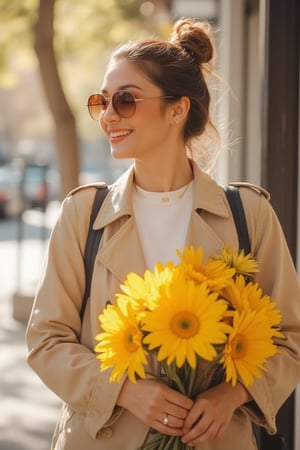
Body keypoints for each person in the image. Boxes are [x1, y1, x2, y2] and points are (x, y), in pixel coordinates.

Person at [26, 17, 300, 450]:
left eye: (126, 100)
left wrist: (231, 395)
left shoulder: (249, 214)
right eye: (102, 101)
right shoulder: (82, 214)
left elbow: (290, 338)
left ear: (178, 108)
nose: (108, 116)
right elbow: (46, 341)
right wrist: (123, 391)